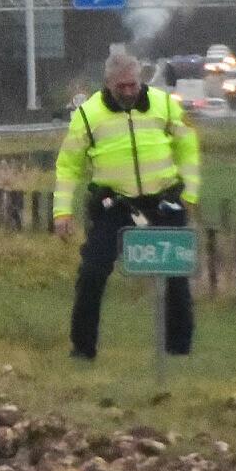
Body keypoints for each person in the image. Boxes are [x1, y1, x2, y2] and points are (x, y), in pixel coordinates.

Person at [52, 50, 202, 360]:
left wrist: (190, 194)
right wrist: (62, 211)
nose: (129, 92)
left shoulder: (163, 104)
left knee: (175, 275)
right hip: (114, 204)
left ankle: (179, 350)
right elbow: (68, 167)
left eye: (133, 85)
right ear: (107, 84)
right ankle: (83, 349)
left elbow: (188, 144)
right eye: (122, 87)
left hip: (164, 201)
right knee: (92, 272)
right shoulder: (87, 115)